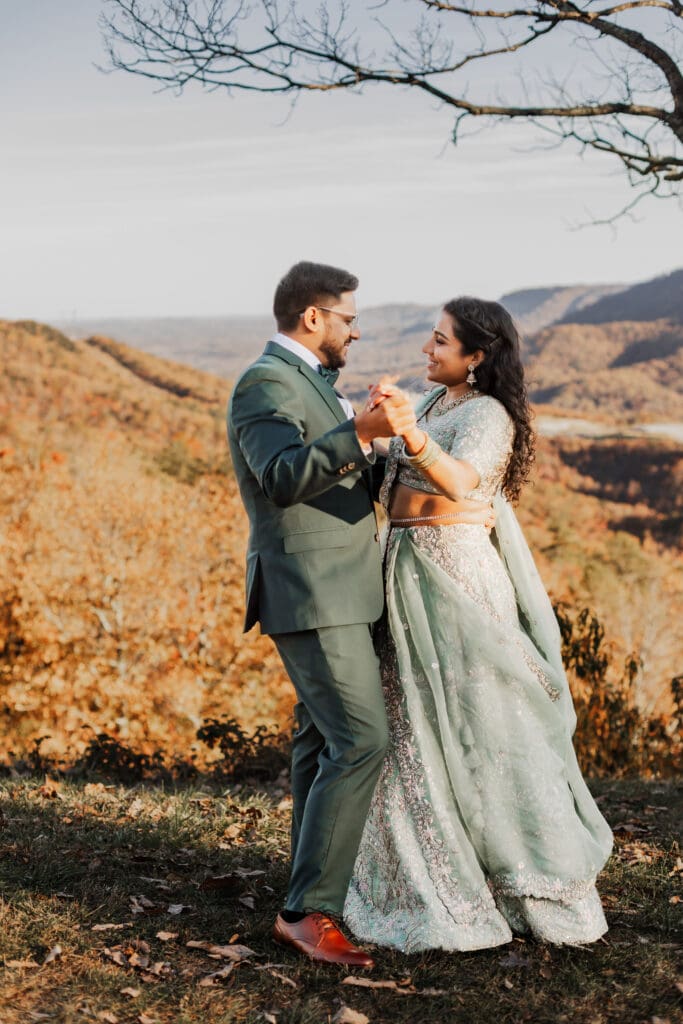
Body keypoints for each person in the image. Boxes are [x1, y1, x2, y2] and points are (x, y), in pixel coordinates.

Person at [344, 296, 614, 951]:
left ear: (477, 356)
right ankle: (426, 871)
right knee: (411, 723)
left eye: (439, 342)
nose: (426, 351)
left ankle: (526, 880)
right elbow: (397, 478)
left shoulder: (489, 414)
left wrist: (409, 436)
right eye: (430, 339)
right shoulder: (437, 403)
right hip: (405, 569)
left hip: (455, 580)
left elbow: (464, 482)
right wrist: (374, 427)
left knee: (484, 715)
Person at [227, 261, 421, 966]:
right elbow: (280, 478)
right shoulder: (263, 383)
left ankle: (305, 895)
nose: (356, 330)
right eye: (347, 319)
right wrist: (359, 433)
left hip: (340, 587)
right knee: (361, 740)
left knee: (319, 743)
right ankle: (309, 913)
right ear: (312, 317)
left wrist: (371, 436)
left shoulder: (311, 383)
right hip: (309, 592)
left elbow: (332, 476)